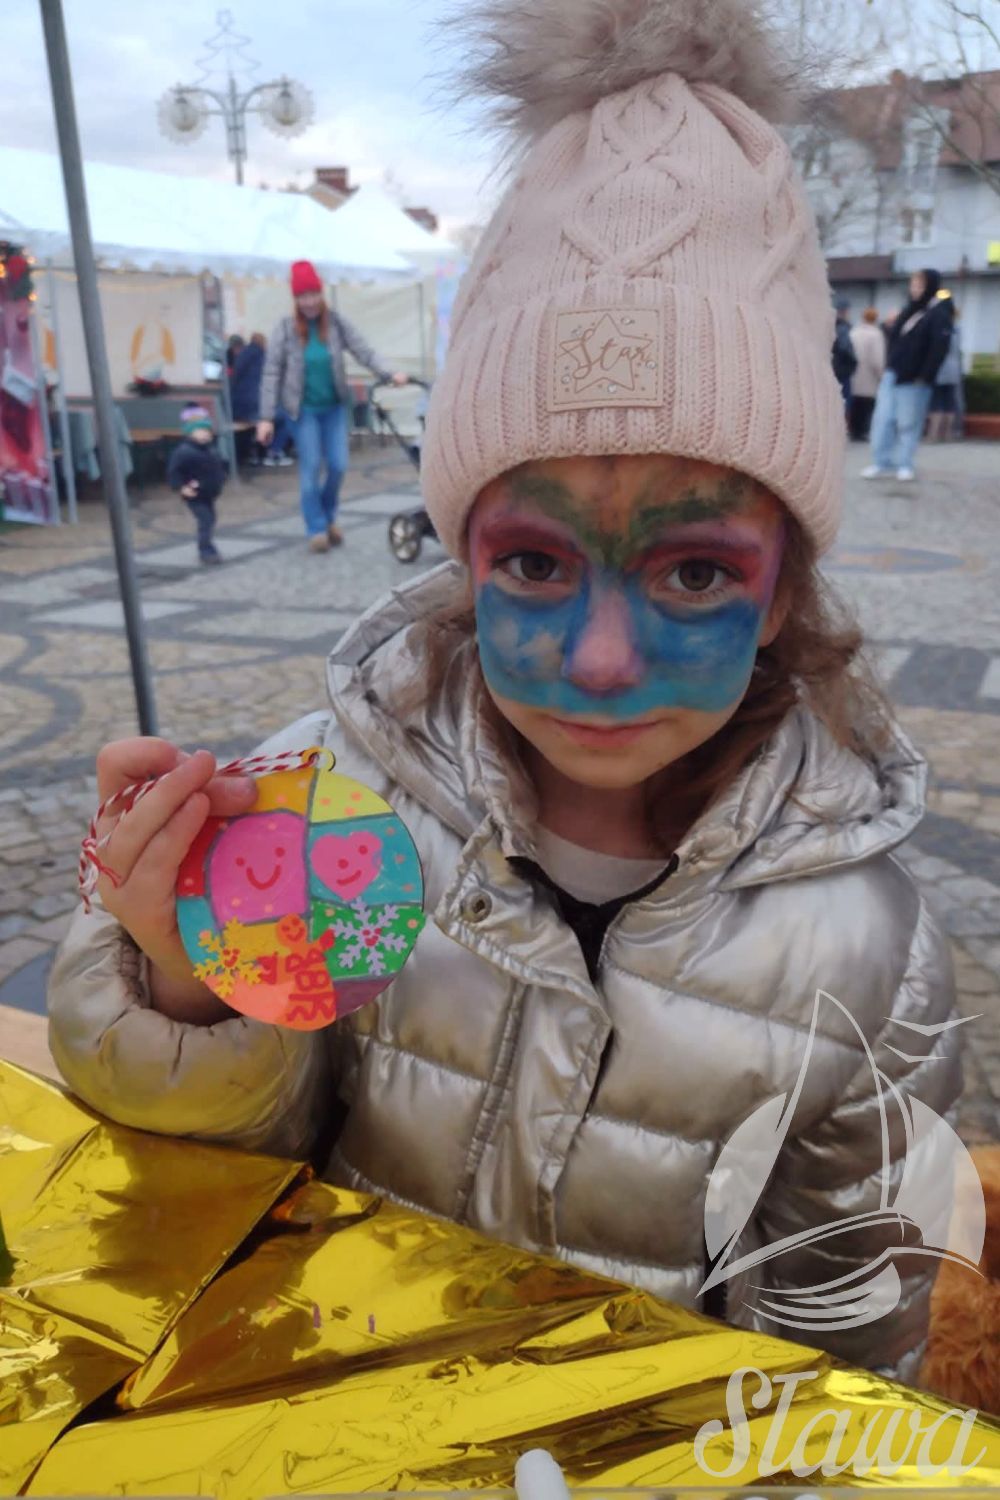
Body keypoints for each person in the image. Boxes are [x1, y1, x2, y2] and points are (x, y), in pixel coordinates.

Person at [49, 0, 959, 1387]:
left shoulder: (871, 958)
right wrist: (186, 982)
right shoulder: (323, 804)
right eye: (534, 563)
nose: (600, 659)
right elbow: (219, 1189)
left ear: (783, 592)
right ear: (463, 560)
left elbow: (844, 1342)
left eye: (697, 573)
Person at [257, 260, 408, 553]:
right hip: (303, 412)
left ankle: (328, 517)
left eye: (313, 294)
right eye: (303, 296)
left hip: (334, 408)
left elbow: (364, 351)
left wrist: (390, 373)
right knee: (312, 466)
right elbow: (271, 372)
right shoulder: (285, 329)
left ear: (321, 293)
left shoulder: (336, 323)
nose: (309, 301)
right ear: (296, 298)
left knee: (339, 466)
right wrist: (265, 417)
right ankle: (316, 527)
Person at [862, 269, 952, 481]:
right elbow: (895, 339)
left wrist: (925, 375)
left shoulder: (938, 314)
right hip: (892, 374)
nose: (914, 289)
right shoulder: (909, 310)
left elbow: (939, 348)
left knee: (908, 423)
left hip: (914, 380)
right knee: (883, 420)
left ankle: (905, 464)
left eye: (919, 285)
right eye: (913, 284)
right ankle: (881, 462)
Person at [166, 404, 227, 566]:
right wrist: (181, 487)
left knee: (210, 519)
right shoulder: (184, 452)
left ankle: (207, 546)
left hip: (209, 492)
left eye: (207, 431)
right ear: (190, 432)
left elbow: (218, 466)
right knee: (205, 520)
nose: (205, 434)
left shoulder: (210, 449)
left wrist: (222, 477)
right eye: (200, 431)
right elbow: (174, 472)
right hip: (195, 494)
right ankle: (206, 551)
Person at [848, 307, 885, 442]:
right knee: (867, 405)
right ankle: (863, 431)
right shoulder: (876, 334)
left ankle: (853, 431)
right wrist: (881, 375)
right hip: (869, 375)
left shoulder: (853, 332)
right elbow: (877, 359)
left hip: (854, 374)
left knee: (855, 404)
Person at [229, 332, 266, 467]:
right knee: (257, 427)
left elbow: (236, 375)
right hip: (258, 398)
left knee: (242, 429)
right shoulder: (264, 356)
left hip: (242, 398)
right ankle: (260, 456)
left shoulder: (244, 354)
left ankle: (240, 457)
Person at [928, 300, 962, 442]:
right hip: (954, 369)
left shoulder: (939, 328)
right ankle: (947, 434)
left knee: (936, 401)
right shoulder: (957, 329)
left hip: (939, 368)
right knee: (949, 402)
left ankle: (933, 434)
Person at [831, 295, 857, 410]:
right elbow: (846, 349)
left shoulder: (829, 326)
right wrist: (853, 364)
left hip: (833, 371)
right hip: (842, 372)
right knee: (843, 406)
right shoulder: (842, 328)